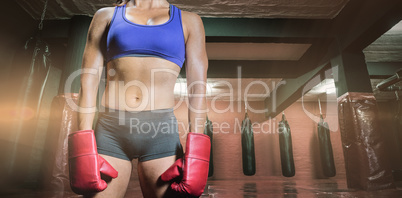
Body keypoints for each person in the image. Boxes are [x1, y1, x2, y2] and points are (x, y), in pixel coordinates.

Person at [67, 0, 210, 197]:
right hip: (110, 131)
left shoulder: (189, 21)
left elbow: (198, 89)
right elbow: (88, 83)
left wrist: (197, 153)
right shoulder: (106, 16)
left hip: (160, 132)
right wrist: (83, 142)